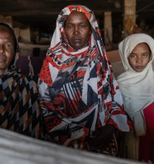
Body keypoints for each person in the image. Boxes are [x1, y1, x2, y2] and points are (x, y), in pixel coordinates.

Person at [38, 5, 133, 157]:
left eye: (82, 25)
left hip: (102, 142)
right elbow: (45, 107)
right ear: (63, 29)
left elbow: (115, 96)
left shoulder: (100, 61)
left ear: (90, 29)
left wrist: (111, 125)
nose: (76, 32)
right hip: (66, 145)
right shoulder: (51, 66)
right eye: (70, 26)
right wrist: (77, 135)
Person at [116, 33, 154, 163]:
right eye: (133, 55)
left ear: (150, 56)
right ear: (125, 57)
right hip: (132, 139)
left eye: (144, 55)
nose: (139, 60)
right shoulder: (119, 85)